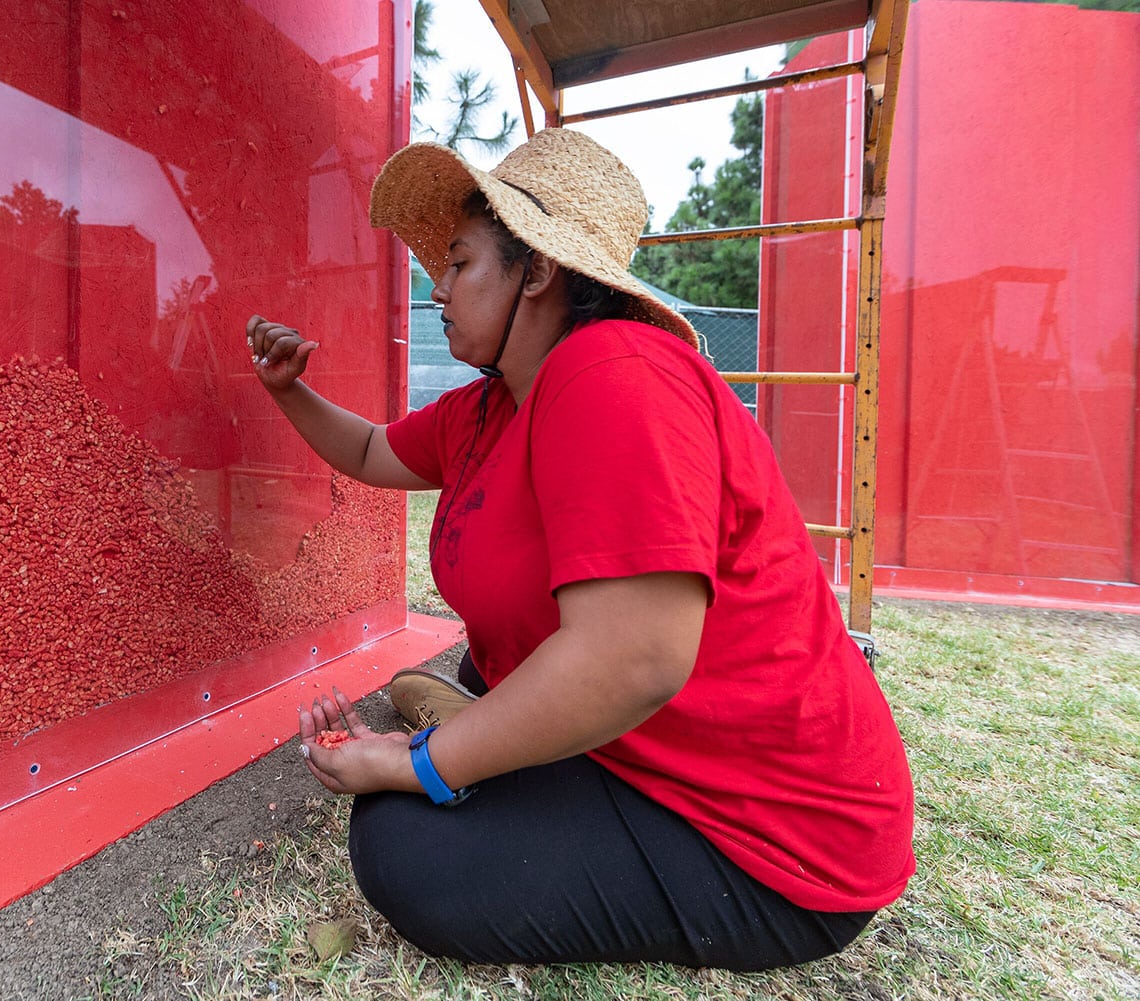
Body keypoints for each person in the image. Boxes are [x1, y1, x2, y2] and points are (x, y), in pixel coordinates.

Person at [244, 128, 914, 972]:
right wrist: (288, 389)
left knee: (404, 848)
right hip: (640, 742)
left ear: (537, 270)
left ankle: (470, 735)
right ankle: (484, 726)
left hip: (775, 837)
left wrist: (416, 763)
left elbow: (634, 660)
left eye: (458, 263)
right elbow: (375, 451)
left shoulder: (614, 373)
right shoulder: (490, 407)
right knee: (463, 735)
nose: (438, 286)